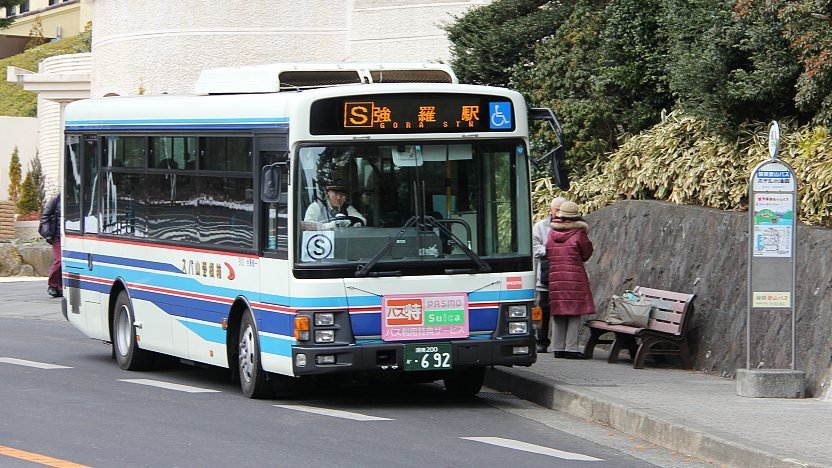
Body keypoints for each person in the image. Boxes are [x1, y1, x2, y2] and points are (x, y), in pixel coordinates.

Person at [545, 200, 594, 359]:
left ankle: (557, 347)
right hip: (574, 276)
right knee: (574, 312)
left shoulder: (551, 233)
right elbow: (586, 253)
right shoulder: (579, 234)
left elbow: (548, 252)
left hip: (556, 275)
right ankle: (571, 348)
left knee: (559, 312)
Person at [533, 196, 566, 353]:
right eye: (556, 210)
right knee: (543, 309)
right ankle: (541, 341)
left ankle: (561, 345)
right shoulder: (540, 226)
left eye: (562, 209)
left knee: (562, 309)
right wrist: (552, 250)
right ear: (550, 210)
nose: (559, 213)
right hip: (545, 276)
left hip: (564, 276)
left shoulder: (571, 226)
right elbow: (534, 248)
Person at [39, 194, 63, 298]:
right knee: (59, 260)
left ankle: (60, 286)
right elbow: (45, 216)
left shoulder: (77, 198)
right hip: (57, 236)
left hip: (70, 236)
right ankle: (52, 285)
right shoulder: (55, 200)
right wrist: (47, 234)